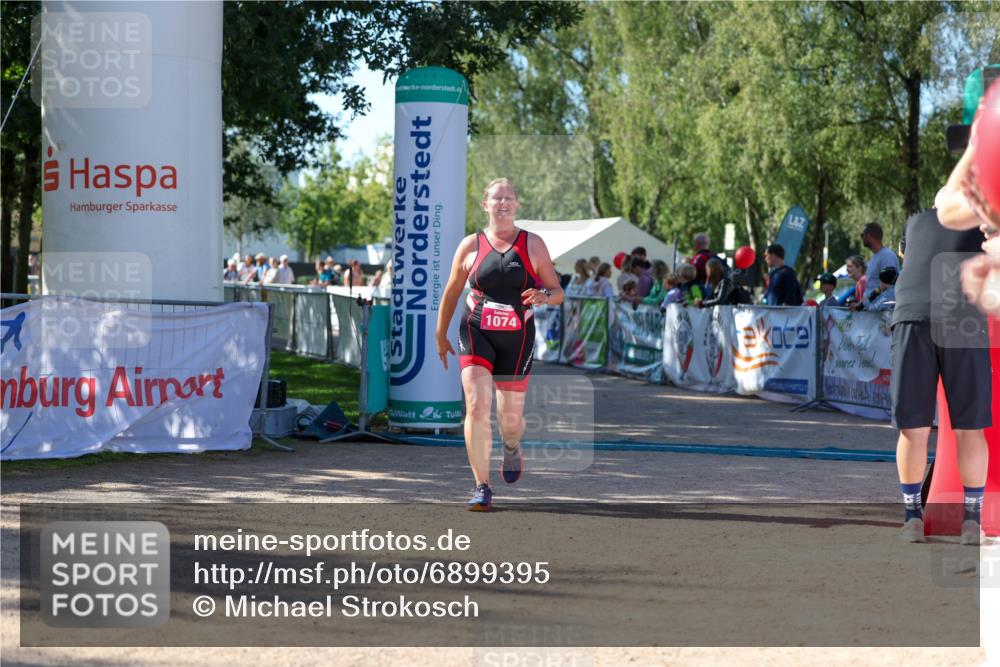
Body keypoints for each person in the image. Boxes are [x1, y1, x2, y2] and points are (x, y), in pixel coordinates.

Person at [436, 178, 564, 512]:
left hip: (518, 337)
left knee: (510, 418)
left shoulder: (533, 245)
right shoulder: (470, 245)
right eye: (497, 198)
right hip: (476, 330)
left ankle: (511, 446)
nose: (503, 203)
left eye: (509, 197)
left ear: (517, 205)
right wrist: (440, 334)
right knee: (477, 407)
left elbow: (557, 291)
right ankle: (482, 485)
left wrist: (544, 296)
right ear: (485, 204)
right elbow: (451, 291)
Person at [890, 206, 989, 545]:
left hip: (911, 315)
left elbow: (905, 253)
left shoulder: (916, 220)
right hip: (961, 315)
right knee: (970, 427)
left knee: (913, 428)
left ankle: (911, 520)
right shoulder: (986, 216)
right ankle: (972, 523)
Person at [860, 222, 900, 300]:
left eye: (862, 235)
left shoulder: (886, 256)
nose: (862, 238)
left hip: (880, 312)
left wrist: (873, 307)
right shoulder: (875, 257)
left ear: (870, 236)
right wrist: (862, 305)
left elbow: (890, 291)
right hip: (872, 311)